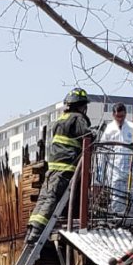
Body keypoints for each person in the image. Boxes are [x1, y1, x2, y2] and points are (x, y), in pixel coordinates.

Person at [25, 88, 95, 244]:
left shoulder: (59, 120)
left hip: (53, 168)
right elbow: (87, 137)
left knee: (44, 199)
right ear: (81, 105)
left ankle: (31, 229)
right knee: (51, 200)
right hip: (67, 168)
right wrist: (95, 134)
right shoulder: (78, 119)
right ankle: (36, 233)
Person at [97, 102, 133, 218]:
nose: (120, 119)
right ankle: (118, 220)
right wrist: (100, 170)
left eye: (122, 116)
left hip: (131, 170)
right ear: (113, 115)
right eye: (118, 116)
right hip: (115, 171)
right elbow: (102, 150)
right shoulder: (109, 129)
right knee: (117, 198)